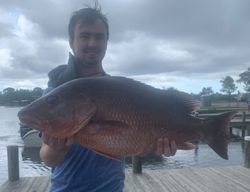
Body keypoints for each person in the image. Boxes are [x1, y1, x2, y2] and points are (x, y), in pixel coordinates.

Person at [40, 5, 194, 192]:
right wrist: (56, 148)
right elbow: (48, 158)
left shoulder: (121, 92)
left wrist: (158, 147)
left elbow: (136, 141)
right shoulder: (56, 93)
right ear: (71, 41)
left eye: (99, 37)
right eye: (84, 36)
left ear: (106, 42)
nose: (92, 43)